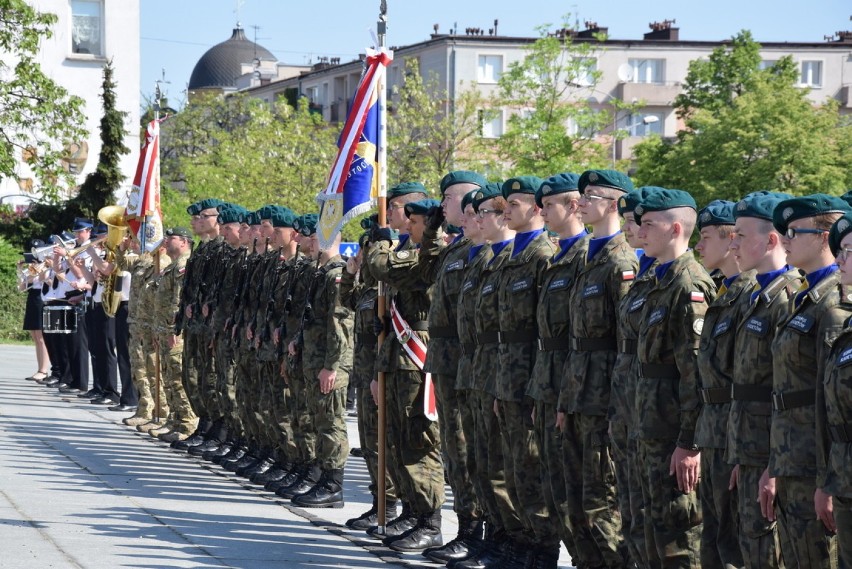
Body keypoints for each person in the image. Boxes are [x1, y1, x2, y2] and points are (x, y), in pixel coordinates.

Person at [558, 169, 636, 569]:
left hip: (603, 398)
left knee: (602, 504)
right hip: (577, 394)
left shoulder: (621, 259)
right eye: (583, 194)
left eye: (592, 195)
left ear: (614, 204)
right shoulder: (587, 254)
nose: (582, 201)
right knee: (576, 504)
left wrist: (616, 408)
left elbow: (625, 342)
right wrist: (565, 400)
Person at [633, 189, 716, 568]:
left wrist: (689, 443)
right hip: (649, 426)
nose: (640, 230)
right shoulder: (656, 279)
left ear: (676, 228)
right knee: (651, 532)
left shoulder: (689, 286)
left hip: (671, 434)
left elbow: (695, 373)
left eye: (649, 223)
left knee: (679, 537)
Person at [768, 194, 849, 568]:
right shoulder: (803, 298)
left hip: (814, 463)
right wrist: (774, 463)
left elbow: (829, 403)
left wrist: (827, 478)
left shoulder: (833, 303)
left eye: (794, 231)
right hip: (791, 456)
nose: (784, 238)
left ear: (824, 236)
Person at [365, 183, 446, 553]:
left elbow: (382, 268)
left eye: (411, 217)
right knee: (398, 440)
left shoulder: (423, 255)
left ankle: (430, 520)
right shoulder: (408, 250)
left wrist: (380, 243)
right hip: (399, 356)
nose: (407, 224)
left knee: (418, 441)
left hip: (416, 359)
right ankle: (414, 511)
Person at [416, 170, 487, 564]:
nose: (442, 206)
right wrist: (430, 231)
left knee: (468, 452)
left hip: (467, 361)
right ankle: (466, 528)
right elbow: (426, 272)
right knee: (455, 453)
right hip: (446, 359)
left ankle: (476, 531)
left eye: (447, 199)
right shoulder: (457, 247)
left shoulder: (485, 248)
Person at [726, 191, 798, 569]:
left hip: (775, 455)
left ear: (771, 239)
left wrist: (773, 464)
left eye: (740, 234)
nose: (732, 242)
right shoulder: (758, 295)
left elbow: (787, 392)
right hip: (751, 449)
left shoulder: (788, 298)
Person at [530, 173, 589, 567]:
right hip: (550, 383)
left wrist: (567, 395)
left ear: (572, 205)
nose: (543, 212)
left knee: (585, 496)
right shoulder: (557, 257)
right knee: (552, 486)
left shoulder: (588, 257)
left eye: (550, 204)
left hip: (580, 391)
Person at [693, 200, 751, 568]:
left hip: (736, 436)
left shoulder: (750, 296)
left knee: (737, 543)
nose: (699, 246)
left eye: (706, 236)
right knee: (713, 537)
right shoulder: (723, 291)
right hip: (713, 431)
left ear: (731, 240)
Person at [611, 187, 660, 567]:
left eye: (640, 222)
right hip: (627, 399)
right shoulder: (645, 271)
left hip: (654, 411)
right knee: (630, 505)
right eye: (629, 222)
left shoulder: (666, 278)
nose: (634, 230)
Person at [289, 220, 353, 508]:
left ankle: (333, 484)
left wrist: (333, 366)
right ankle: (320, 475)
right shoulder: (320, 274)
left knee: (331, 423)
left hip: (329, 363)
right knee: (317, 420)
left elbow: (340, 326)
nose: (308, 243)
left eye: (313, 238)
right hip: (315, 359)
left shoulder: (336, 275)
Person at [817, 212, 852, 568]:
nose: (839, 260)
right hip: (843, 479)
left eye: (847, 251)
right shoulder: (847, 326)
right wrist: (827, 481)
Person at [151, 227, 198, 443]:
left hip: (174, 332)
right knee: (169, 377)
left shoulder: (183, 264)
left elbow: (178, 301)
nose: (167, 241)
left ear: (184, 242)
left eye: (172, 238)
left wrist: (172, 330)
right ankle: (175, 419)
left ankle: (187, 423)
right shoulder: (173, 265)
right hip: (165, 329)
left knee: (178, 378)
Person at [19, 241, 50, 381]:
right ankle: (40, 368)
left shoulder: (47, 264)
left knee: (41, 337)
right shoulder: (32, 267)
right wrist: (20, 270)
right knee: (35, 336)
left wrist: (41, 267)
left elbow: (46, 281)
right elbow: (22, 287)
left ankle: (44, 370)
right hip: (32, 298)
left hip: (41, 297)